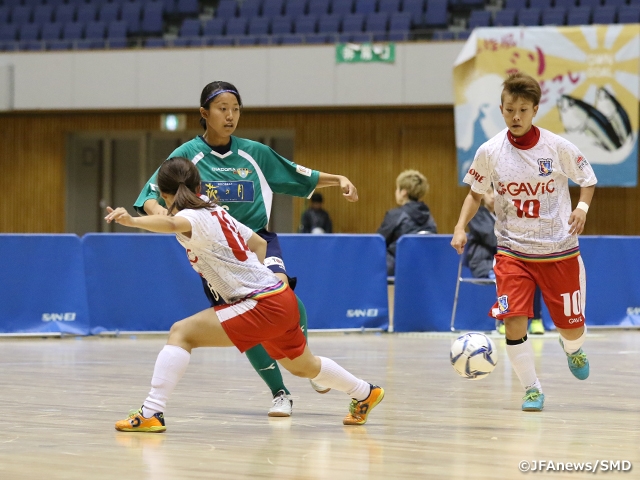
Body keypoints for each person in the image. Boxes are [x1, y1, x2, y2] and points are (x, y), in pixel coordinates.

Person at [108, 157, 384, 432]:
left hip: (261, 303)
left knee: (181, 333)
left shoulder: (191, 217)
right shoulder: (216, 210)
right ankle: (364, 392)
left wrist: (132, 220)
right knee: (303, 366)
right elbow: (259, 243)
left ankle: (152, 412)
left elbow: (170, 224)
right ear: (200, 185)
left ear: (166, 194)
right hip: (280, 297)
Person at [134, 81, 359, 417]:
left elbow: (297, 174)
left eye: (235, 109)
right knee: (248, 324)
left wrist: (338, 178)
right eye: (222, 109)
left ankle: (306, 360)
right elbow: (150, 195)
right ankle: (279, 392)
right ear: (203, 114)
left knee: (287, 301)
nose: (230, 116)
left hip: (257, 240)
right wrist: (166, 217)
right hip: (218, 255)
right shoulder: (185, 156)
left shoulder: (254, 153)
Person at [450, 72, 597, 412]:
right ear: (501, 109)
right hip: (512, 251)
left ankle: (573, 348)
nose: (515, 117)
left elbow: (587, 179)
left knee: (571, 330)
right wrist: (460, 227)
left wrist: (582, 208)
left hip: (559, 250)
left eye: (523, 110)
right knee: (513, 320)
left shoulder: (557, 147)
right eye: (509, 110)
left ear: (534, 110)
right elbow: (474, 194)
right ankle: (532, 388)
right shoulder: (490, 151)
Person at [467, 189, 545, 336]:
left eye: (496, 192)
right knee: (509, 277)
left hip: (507, 260)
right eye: (489, 192)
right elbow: (492, 239)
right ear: (483, 195)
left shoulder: (505, 215)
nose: (492, 196)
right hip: (485, 263)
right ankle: (505, 320)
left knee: (533, 275)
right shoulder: (476, 215)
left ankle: (536, 320)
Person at [377, 170, 437, 276]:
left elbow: (377, 242)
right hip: (425, 271)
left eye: (397, 188)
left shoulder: (395, 215)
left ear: (403, 192)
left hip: (398, 272)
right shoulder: (429, 217)